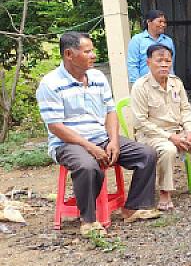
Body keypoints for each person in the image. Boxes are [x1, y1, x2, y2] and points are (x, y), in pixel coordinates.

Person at [37, 32, 160, 234]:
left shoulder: (97, 77)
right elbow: (56, 127)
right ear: (69, 54)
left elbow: (111, 112)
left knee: (146, 154)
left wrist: (113, 141)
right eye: (87, 52)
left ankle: (133, 207)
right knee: (87, 166)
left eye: (92, 50)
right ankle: (88, 221)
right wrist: (90, 147)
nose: (93, 55)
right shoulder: (50, 84)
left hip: (100, 138)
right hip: (67, 144)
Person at [131, 44, 191, 210]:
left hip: (178, 131)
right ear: (148, 62)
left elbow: (186, 109)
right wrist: (170, 137)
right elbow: (140, 122)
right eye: (159, 60)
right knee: (168, 150)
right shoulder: (140, 86)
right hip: (152, 136)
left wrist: (190, 131)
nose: (164, 65)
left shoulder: (176, 82)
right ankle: (165, 192)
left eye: (167, 61)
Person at [127, 10, 176, 83]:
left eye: (164, 22)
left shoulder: (168, 41)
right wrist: (137, 84)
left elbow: (170, 64)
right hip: (145, 84)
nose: (163, 25)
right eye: (160, 21)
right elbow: (133, 64)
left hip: (165, 83)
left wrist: (172, 82)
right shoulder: (137, 40)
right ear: (149, 22)